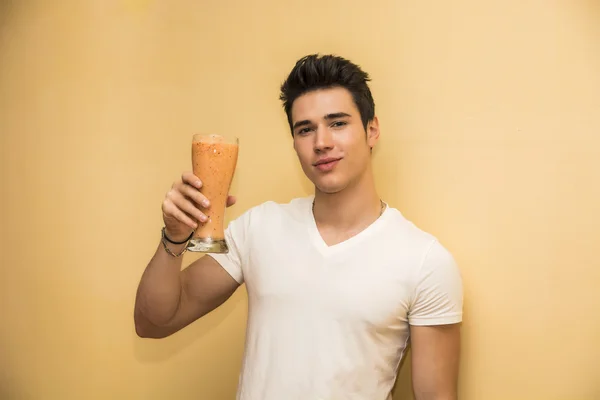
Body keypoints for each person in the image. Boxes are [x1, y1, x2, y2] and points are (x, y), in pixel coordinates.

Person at [134, 54, 463, 400]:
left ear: (372, 130)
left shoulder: (425, 261)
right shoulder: (259, 227)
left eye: (337, 123)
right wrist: (174, 235)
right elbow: (154, 322)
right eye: (305, 129)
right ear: (294, 143)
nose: (321, 142)